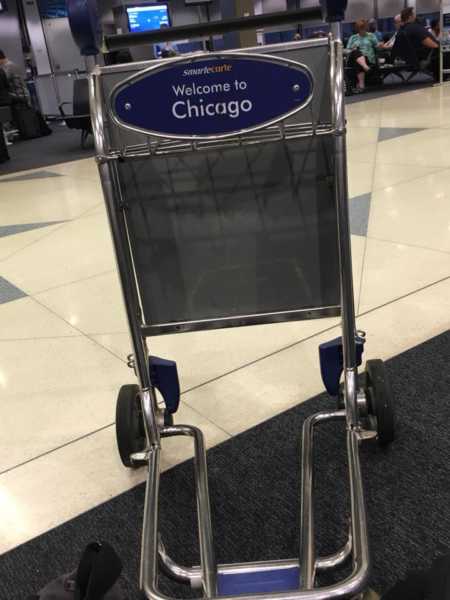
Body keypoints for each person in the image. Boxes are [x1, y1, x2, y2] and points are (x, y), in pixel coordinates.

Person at [400, 7, 439, 79]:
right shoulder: (414, 28)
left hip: (414, 58)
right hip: (426, 58)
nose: (416, 16)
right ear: (410, 16)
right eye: (414, 14)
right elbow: (434, 45)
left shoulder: (404, 29)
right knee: (443, 50)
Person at [346, 19, 380, 91]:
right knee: (356, 52)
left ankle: (361, 84)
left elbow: (377, 46)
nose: (362, 30)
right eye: (360, 29)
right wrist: (352, 49)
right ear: (357, 29)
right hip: (355, 59)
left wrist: (381, 45)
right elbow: (347, 50)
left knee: (359, 60)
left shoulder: (371, 36)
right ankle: (365, 67)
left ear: (366, 28)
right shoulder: (353, 37)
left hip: (368, 59)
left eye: (363, 28)